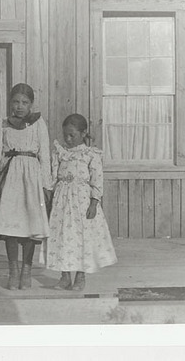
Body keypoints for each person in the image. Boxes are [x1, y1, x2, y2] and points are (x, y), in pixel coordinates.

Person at [0, 83, 52, 290]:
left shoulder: (38, 123)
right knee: (11, 226)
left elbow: (45, 155)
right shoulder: (3, 124)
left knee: (30, 225)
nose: (19, 106)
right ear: (10, 103)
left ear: (31, 104)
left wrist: (46, 184)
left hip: (32, 178)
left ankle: (27, 268)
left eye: (24, 102)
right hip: (10, 179)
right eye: (15, 102)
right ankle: (13, 270)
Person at [46, 114, 117, 291]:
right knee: (63, 237)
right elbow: (53, 176)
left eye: (72, 135)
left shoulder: (90, 154)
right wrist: (49, 197)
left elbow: (97, 180)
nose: (68, 139)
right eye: (65, 135)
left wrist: (94, 202)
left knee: (81, 238)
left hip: (82, 201)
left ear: (83, 133)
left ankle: (80, 276)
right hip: (62, 199)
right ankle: (64, 277)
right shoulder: (60, 152)